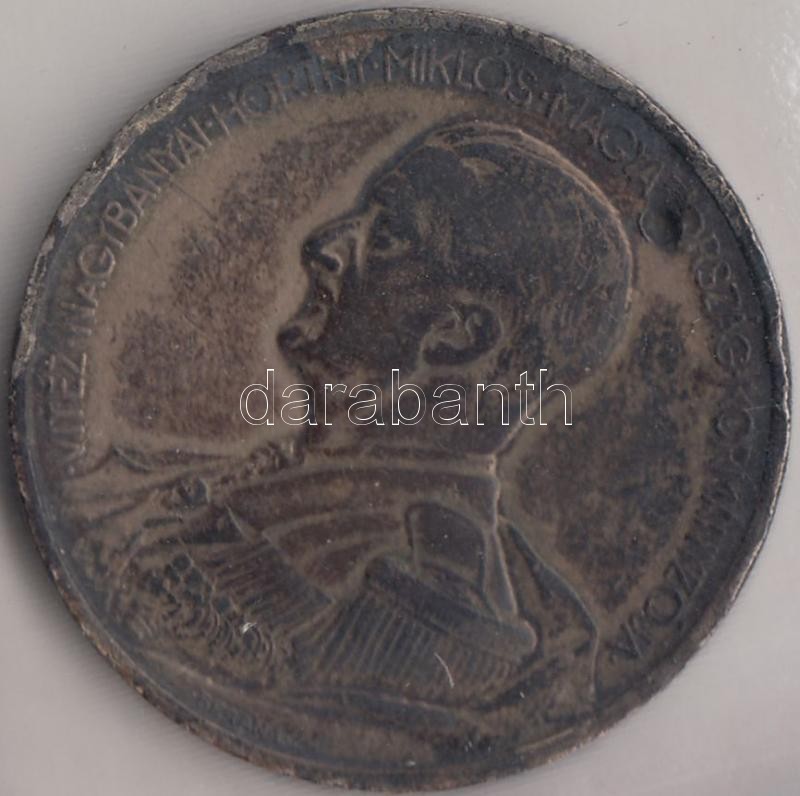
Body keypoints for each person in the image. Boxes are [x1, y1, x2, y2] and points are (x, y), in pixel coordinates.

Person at [72, 119, 633, 715]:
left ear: (457, 335)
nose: (323, 244)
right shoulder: (257, 483)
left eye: (386, 234)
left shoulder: (430, 610)